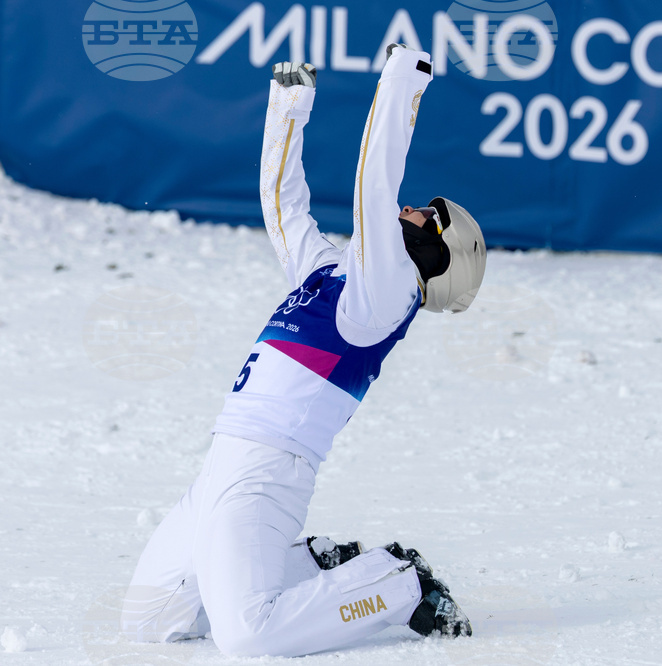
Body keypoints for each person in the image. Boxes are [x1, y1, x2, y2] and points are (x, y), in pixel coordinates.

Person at [119, 46, 486, 658]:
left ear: (436, 258)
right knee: (147, 619)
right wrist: (287, 108)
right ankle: (317, 565)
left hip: (267, 477)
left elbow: (375, 184)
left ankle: (397, 583)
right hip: (218, 468)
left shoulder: (384, 297)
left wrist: (402, 81)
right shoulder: (332, 274)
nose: (407, 209)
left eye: (425, 217)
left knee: (247, 635)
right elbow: (284, 209)